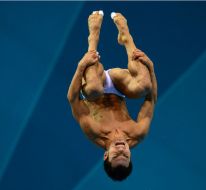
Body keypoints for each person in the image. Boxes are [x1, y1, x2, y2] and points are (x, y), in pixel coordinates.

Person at [67, 10, 157, 181]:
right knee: (145, 86)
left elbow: (72, 98)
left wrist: (81, 66)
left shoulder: (94, 132)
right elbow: (151, 100)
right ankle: (126, 38)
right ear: (130, 155)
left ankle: (92, 38)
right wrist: (150, 68)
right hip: (118, 85)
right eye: (126, 156)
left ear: (106, 155)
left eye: (117, 156)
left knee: (94, 90)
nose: (122, 150)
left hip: (95, 82)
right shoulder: (138, 133)